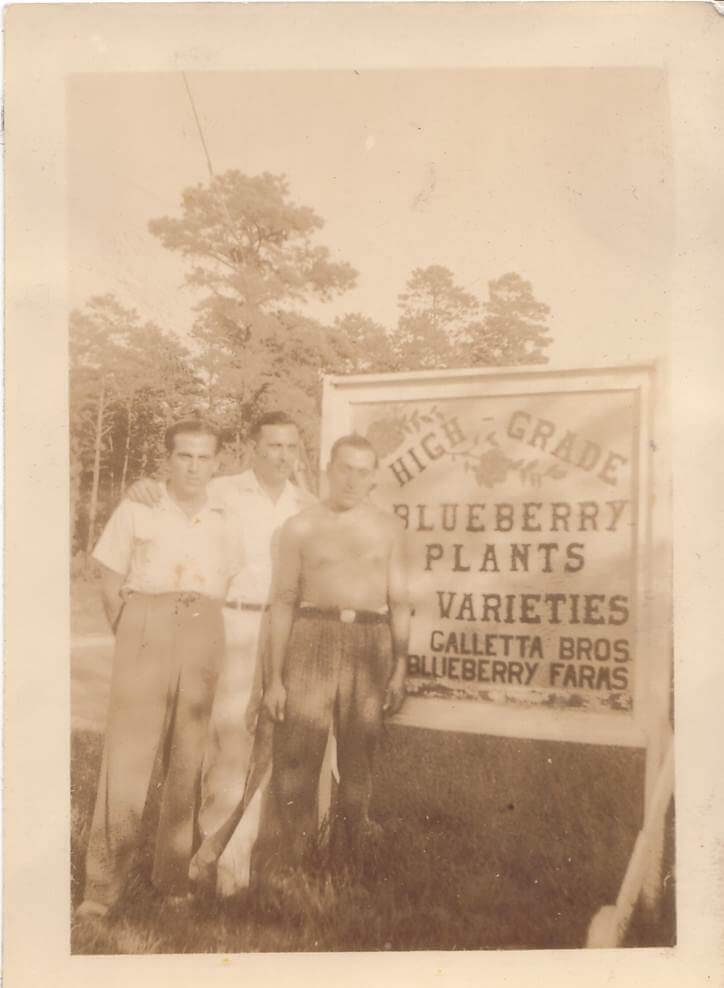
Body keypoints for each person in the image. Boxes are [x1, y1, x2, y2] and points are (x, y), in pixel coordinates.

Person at [124, 410, 317, 896]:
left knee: (270, 745)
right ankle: (204, 863)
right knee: (223, 739)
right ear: (252, 447)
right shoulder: (224, 490)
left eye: (290, 447)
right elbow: (171, 498)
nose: (282, 455)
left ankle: (233, 860)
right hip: (228, 620)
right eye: (272, 445)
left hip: (283, 628)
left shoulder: (307, 505)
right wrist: (142, 488)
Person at [75, 419, 244, 920]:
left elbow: (228, 577)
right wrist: (131, 625)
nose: (194, 466)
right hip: (146, 616)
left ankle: (172, 881)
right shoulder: (138, 507)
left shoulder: (224, 517)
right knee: (128, 754)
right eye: (184, 456)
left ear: (217, 463)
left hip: (203, 621)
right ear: (167, 460)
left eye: (204, 457)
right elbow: (109, 577)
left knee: (188, 755)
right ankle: (100, 889)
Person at [254, 433, 410, 876]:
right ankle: (290, 868)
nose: (352, 479)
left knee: (359, 758)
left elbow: (400, 600)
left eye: (363, 471)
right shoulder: (300, 526)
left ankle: (350, 865)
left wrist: (400, 666)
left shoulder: (387, 527)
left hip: (369, 641)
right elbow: (282, 601)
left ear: (373, 477)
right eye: (345, 468)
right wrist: (275, 678)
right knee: (297, 759)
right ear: (328, 469)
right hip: (311, 638)